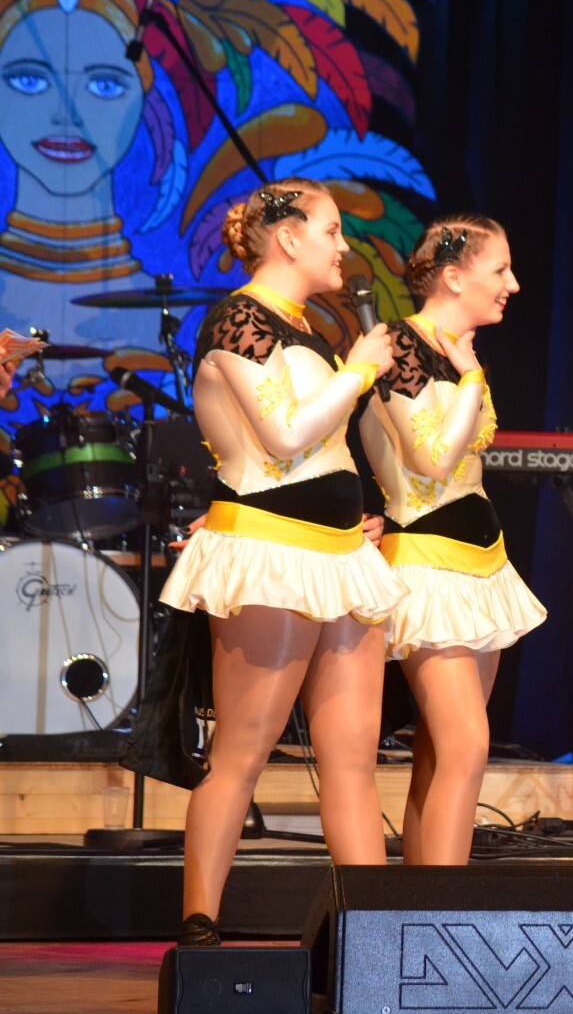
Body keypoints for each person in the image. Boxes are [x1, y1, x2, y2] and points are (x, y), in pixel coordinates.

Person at [157, 178, 404, 944]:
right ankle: (200, 923)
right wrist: (360, 369)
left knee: (352, 760)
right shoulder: (239, 319)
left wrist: (355, 513)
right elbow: (284, 434)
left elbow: (322, 451)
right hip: (269, 551)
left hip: (338, 555)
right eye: (331, 230)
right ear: (288, 237)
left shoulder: (306, 328)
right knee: (243, 750)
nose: (343, 247)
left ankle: (374, 936)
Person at [360, 215, 547, 865]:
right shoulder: (400, 347)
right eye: (500, 270)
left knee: (443, 753)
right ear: (453, 276)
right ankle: (441, 908)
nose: (513, 285)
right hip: (426, 565)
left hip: (480, 565)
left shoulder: (458, 350)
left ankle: (422, 900)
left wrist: (469, 372)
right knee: (466, 746)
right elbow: (431, 459)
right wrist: (470, 379)